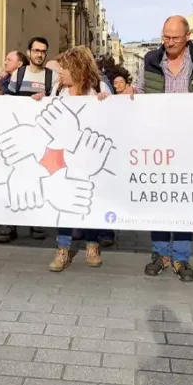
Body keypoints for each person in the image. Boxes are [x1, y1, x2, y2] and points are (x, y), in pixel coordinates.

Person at [133, 15, 193, 282]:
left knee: (184, 201)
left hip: (190, 144)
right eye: (165, 37)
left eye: (174, 38)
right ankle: (160, 254)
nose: (168, 42)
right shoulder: (150, 60)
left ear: (187, 37)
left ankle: (181, 258)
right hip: (157, 144)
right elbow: (140, 90)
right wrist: (130, 94)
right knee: (159, 201)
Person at [33, 46, 112, 272]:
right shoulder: (59, 91)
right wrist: (40, 100)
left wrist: (107, 102)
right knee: (64, 203)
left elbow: (112, 119)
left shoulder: (97, 88)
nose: (60, 74)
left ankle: (92, 245)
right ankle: (62, 249)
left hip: (88, 157)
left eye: (64, 69)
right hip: (63, 156)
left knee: (89, 203)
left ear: (77, 69)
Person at [0, 37, 57, 244]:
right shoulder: (19, 74)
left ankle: (36, 222)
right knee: (14, 177)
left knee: (38, 178)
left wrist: (46, 100)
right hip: (19, 133)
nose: (40, 54)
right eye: (36, 50)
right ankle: (10, 223)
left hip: (42, 136)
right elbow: (8, 100)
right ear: (29, 52)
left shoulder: (52, 76)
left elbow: (58, 102)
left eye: (43, 51)